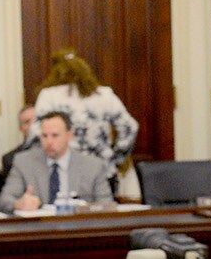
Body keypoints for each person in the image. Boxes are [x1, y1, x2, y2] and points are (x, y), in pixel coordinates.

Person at [33, 50, 138, 178]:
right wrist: (116, 158)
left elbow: (36, 134)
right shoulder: (104, 95)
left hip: (64, 170)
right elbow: (130, 127)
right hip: (102, 169)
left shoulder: (49, 96)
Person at [0, 111, 116, 211]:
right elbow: (3, 200)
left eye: (55, 135)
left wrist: (82, 208)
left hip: (78, 231)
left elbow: (107, 206)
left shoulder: (92, 166)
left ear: (69, 135)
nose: (48, 142)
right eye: (44, 136)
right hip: (39, 231)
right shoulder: (24, 162)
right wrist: (19, 204)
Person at [2, 105, 40, 170]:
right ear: (21, 128)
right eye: (27, 122)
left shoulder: (55, 152)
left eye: (36, 120)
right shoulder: (11, 159)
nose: (33, 125)